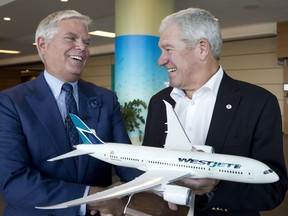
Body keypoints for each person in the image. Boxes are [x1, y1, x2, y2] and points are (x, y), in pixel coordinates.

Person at [142, 8, 288, 216]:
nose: (160, 60)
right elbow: (150, 165)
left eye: (168, 49)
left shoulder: (259, 104)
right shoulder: (159, 102)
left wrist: (216, 186)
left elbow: (273, 189)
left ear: (202, 49)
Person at [0, 10, 140, 216]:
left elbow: (127, 161)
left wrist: (169, 181)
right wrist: (90, 197)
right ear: (42, 44)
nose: (82, 47)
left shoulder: (106, 99)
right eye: (71, 38)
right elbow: (14, 182)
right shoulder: (10, 102)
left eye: (87, 41)